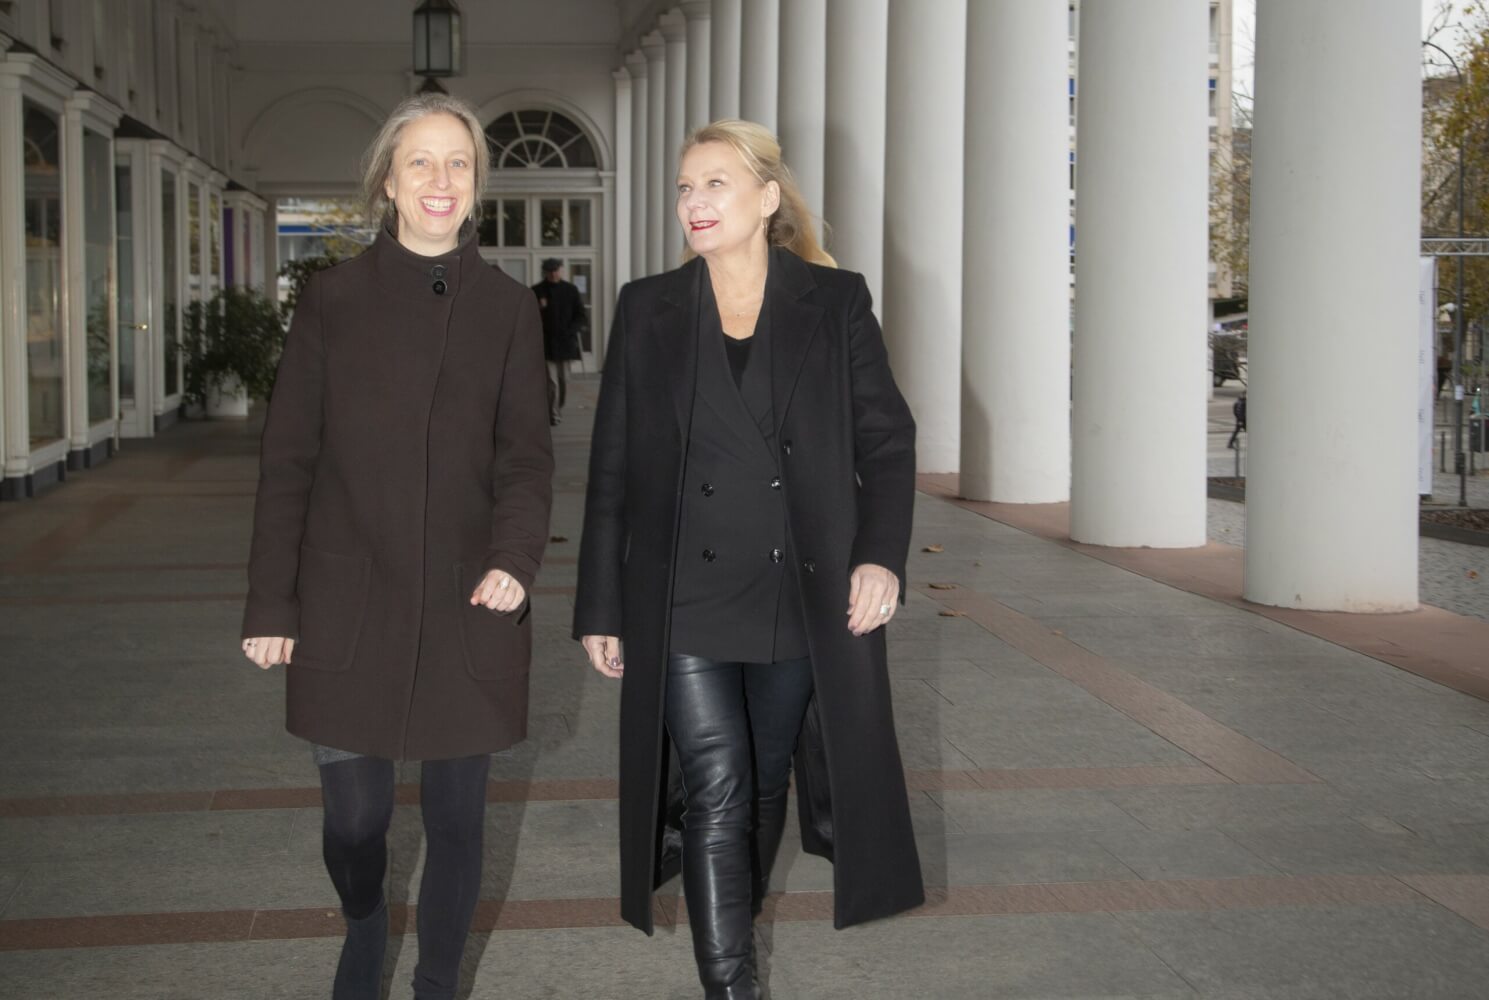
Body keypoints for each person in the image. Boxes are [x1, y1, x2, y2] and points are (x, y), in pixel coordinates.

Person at [573, 119, 924, 999]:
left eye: (714, 184)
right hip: (683, 594)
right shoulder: (647, 307)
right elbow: (611, 468)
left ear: (766, 198)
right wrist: (600, 606)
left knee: (762, 781)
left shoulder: (833, 302)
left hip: (792, 594)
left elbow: (885, 441)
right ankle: (732, 989)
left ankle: (730, 914)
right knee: (719, 788)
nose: (693, 202)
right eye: (685, 187)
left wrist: (879, 558)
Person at [239, 93, 553, 1000]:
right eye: (420, 162)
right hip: (348, 599)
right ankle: (365, 914)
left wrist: (514, 558)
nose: (440, 181)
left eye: (457, 163)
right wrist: (272, 603)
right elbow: (288, 460)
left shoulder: (504, 309)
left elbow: (525, 459)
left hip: (468, 600)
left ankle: (438, 983)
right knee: (356, 820)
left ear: (476, 184)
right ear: (387, 181)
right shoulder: (330, 299)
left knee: (457, 822)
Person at [531, 258, 587, 425]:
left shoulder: (570, 290)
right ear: (545, 272)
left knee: (563, 381)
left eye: (556, 270)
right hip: (546, 343)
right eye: (550, 271)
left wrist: (572, 330)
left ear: (561, 271)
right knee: (552, 382)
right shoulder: (536, 290)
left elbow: (581, 315)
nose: (554, 274)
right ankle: (553, 414)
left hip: (565, 343)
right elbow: (527, 315)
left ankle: (558, 407)